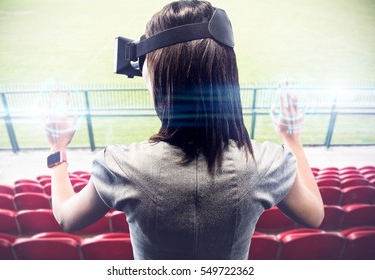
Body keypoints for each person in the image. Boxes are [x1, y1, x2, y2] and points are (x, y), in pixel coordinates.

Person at [45, 0, 324, 260]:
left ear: (158, 78)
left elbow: (68, 217)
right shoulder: (268, 163)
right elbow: (315, 215)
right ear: (227, 73)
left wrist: (57, 149)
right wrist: (292, 139)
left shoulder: (120, 166)